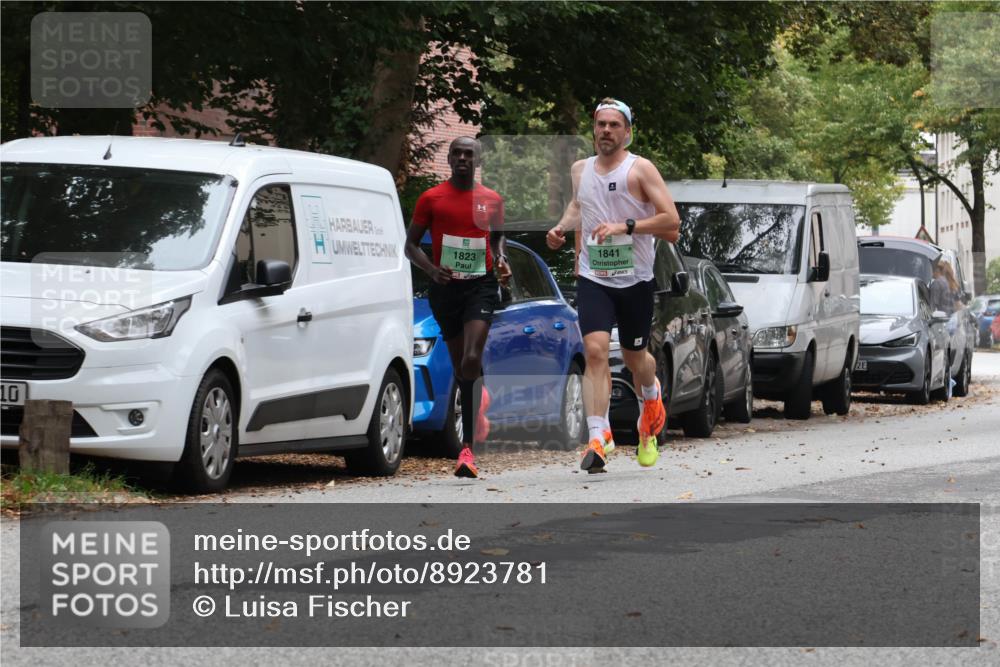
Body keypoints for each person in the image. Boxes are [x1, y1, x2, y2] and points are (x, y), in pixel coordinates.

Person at [546, 98, 680, 473]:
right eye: (601, 124)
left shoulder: (641, 170)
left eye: (614, 125)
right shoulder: (580, 169)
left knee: (636, 358)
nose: (605, 130)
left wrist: (627, 226)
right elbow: (578, 206)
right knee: (594, 351)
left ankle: (650, 399)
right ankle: (597, 434)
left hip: (635, 279)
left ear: (627, 132)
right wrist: (561, 227)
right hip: (594, 276)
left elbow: (672, 221)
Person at [405, 136, 512, 478]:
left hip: (481, 286)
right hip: (445, 288)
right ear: (450, 159)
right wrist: (432, 270)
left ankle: (467, 451)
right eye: (458, 154)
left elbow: (497, 237)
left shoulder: (491, 200)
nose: (464, 158)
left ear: (478, 161)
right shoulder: (431, 198)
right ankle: (476, 400)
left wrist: (501, 256)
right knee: (460, 368)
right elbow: (410, 246)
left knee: (470, 358)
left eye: (470, 154)